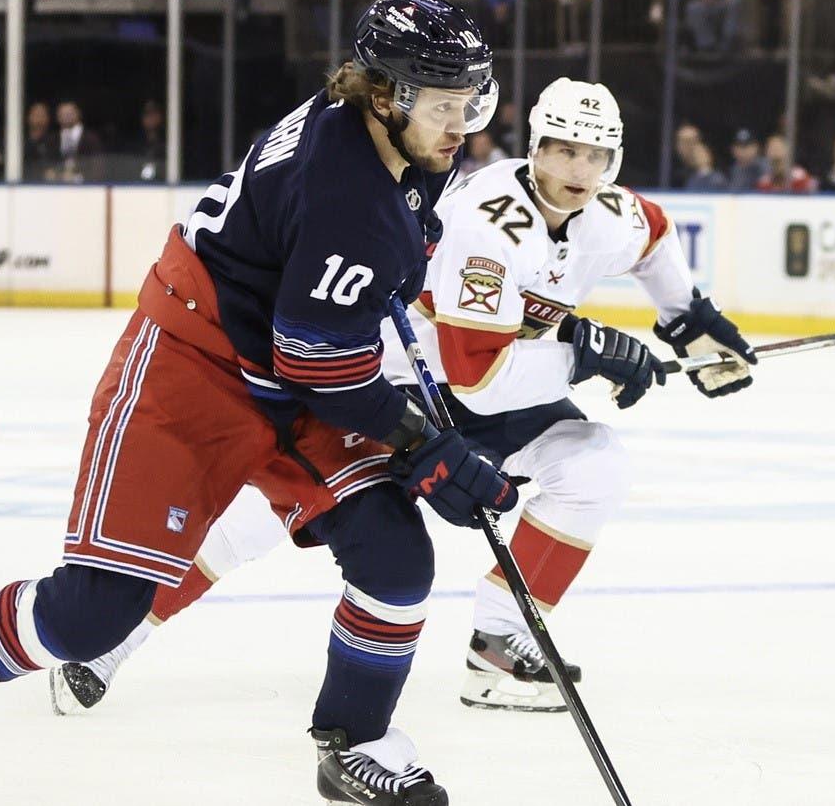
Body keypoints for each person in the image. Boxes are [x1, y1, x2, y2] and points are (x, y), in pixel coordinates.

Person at [0, 0, 514, 806]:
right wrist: (419, 440)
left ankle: (356, 738)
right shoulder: (349, 193)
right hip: (194, 365)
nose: (462, 125)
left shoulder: (381, 140)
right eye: (445, 106)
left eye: (470, 101)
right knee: (95, 614)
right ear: (384, 95)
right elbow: (318, 358)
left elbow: (340, 314)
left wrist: (418, 425)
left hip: (284, 360)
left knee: (396, 556)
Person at [46, 77, 757, 717]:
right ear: (534, 146)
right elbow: (477, 371)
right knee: (263, 522)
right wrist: (584, 355)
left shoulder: (614, 214)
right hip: (407, 384)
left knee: (593, 466)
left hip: (499, 385)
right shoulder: (488, 219)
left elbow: (654, 240)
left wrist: (687, 321)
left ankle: (499, 645)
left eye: (596, 156)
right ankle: (113, 641)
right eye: (563, 150)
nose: (579, 170)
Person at [48, 101, 104, 182]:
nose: (66, 116)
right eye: (63, 113)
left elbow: (98, 167)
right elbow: (46, 165)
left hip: (84, 188)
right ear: (58, 117)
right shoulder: (52, 139)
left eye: (70, 113)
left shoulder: (91, 139)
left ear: (78, 114)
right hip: (55, 188)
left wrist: (77, 178)